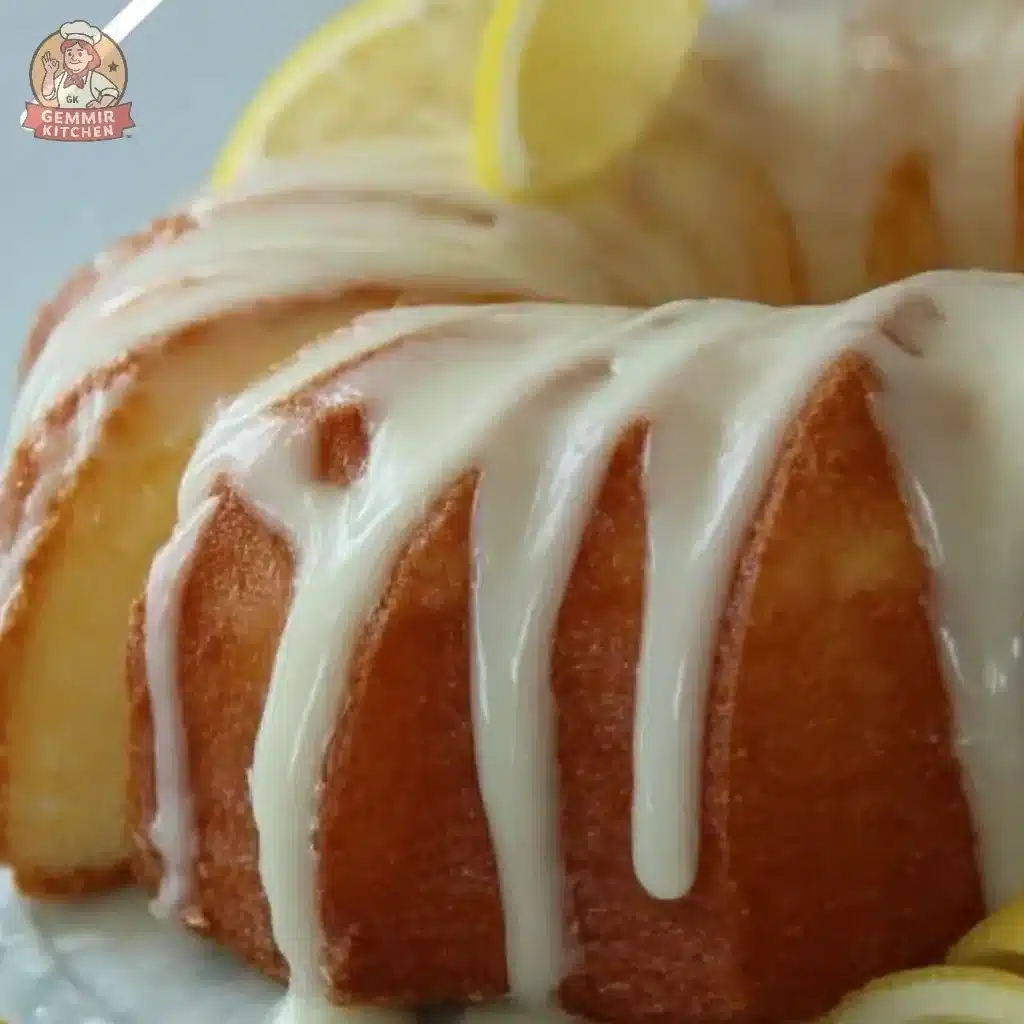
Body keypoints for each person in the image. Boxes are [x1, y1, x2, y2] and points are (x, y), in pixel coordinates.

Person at [39, 21, 120, 110]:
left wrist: (101, 104)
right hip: (65, 120)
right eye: (69, 54)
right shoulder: (63, 77)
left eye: (80, 54)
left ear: (90, 57)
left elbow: (111, 92)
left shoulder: (93, 78)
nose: (74, 58)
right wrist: (50, 73)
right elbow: (47, 94)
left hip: (88, 121)